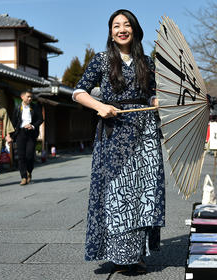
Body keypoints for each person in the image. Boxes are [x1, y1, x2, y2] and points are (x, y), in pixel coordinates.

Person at [73, 9, 165, 272]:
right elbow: (79, 91)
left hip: (145, 133)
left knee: (143, 192)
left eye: (127, 25)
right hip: (114, 133)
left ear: (134, 30)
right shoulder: (101, 60)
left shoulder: (147, 63)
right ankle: (120, 254)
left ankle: (137, 253)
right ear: (111, 32)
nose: (122, 29)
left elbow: (151, 96)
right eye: (116, 25)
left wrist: (157, 101)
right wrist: (99, 106)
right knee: (117, 193)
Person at [12, 91, 43, 185]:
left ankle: (29, 171)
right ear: (22, 97)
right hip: (20, 133)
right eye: (28, 97)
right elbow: (13, 121)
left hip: (31, 133)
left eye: (31, 97)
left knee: (29, 155)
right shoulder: (17, 107)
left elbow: (40, 119)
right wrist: (10, 135)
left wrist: (33, 126)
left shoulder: (35, 107)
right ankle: (23, 177)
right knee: (21, 156)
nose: (30, 98)